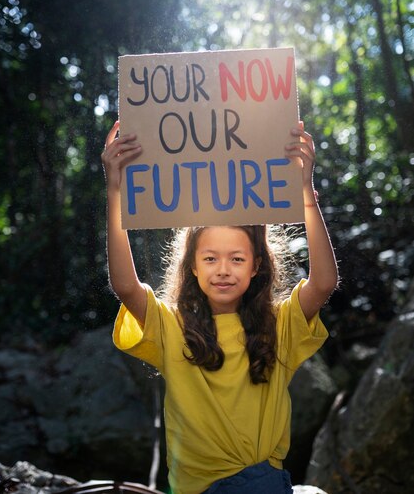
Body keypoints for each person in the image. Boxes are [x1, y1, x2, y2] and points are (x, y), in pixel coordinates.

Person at [101, 119, 338, 494]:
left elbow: (324, 283)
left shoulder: (280, 324)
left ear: (257, 265)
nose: (223, 270)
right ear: (192, 266)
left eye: (237, 259)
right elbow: (125, 286)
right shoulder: (170, 325)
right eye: (210, 259)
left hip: (263, 483)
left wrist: (305, 190)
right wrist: (115, 189)